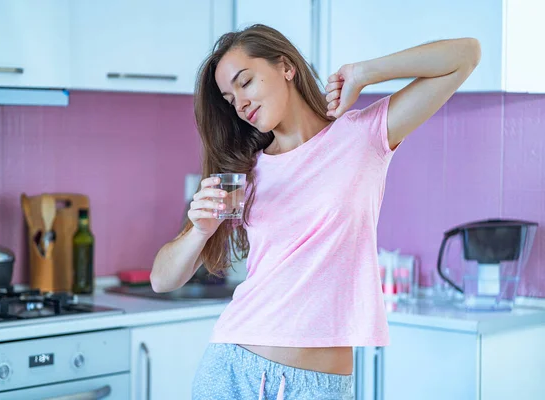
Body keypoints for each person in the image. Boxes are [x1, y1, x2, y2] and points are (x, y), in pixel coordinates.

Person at [151, 24, 480, 400]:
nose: (239, 103)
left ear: (286, 67)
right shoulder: (244, 173)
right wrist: (198, 231)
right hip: (231, 368)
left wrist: (364, 73)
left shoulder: (362, 136)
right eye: (229, 98)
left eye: (246, 82)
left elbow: (465, 55)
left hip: (318, 385)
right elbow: (162, 279)